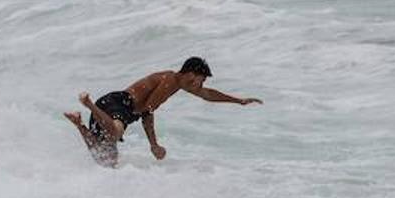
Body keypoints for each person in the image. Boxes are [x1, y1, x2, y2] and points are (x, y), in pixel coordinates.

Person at [63, 57, 261, 167]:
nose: (202, 84)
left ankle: (79, 123)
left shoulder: (177, 83)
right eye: (202, 79)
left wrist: (238, 101)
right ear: (191, 75)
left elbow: (207, 94)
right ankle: (88, 104)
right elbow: (147, 110)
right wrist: (154, 144)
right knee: (116, 132)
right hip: (120, 104)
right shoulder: (169, 81)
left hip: (112, 108)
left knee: (105, 159)